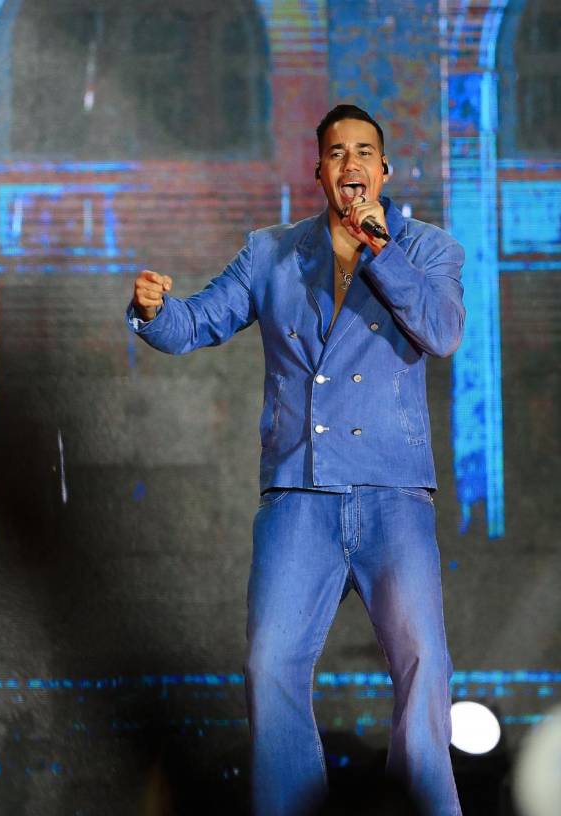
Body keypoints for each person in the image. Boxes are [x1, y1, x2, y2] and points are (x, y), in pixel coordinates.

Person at [127, 105, 463, 816]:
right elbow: (196, 325)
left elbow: (440, 330)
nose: (351, 165)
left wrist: (383, 251)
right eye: (336, 153)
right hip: (299, 494)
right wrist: (157, 311)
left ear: (385, 171)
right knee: (270, 665)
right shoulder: (271, 252)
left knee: (424, 666)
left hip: (392, 493)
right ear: (318, 170)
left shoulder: (426, 248)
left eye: (364, 152)